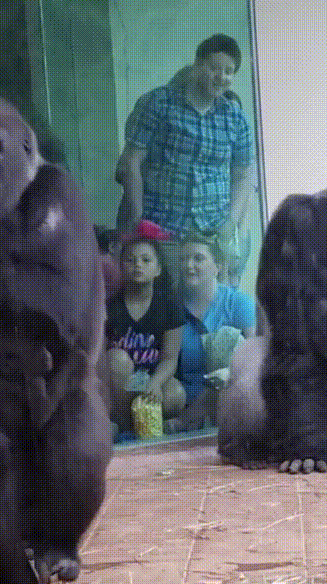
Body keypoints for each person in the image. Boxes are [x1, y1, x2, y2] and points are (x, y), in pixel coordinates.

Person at [115, 33, 255, 283]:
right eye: (214, 68)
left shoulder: (235, 118)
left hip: (211, 236)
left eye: (229, 71)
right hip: (161, 231)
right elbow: (130, 162)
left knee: (208, 311)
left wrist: (230, 224)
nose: (221, 77)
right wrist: (137, 219)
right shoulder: (158, 104)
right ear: (197, 64)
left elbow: (243, 175)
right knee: (163, 309)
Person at [106, 223, 187, 439]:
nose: (137, 265)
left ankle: (140, 423)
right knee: (118, 359)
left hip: (152, 379)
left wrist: (156, 383)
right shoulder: (109, 306)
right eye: (130, 260)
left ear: (158, 268)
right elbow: (100, 360)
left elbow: (170, 358)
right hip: (120, 385)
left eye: (146, 260)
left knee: (176, 394)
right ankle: (126, 425)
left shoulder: (169, 305)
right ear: (121, 265)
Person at [170, 233, 257, 432]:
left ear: (218, 266)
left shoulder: (238, 303)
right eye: (183, 259)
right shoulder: (171, 308)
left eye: (198, 258)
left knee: (227, 342)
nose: (188, 265)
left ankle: (191, 420)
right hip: (183, 401)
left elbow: (253, 357)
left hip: (229, 397)